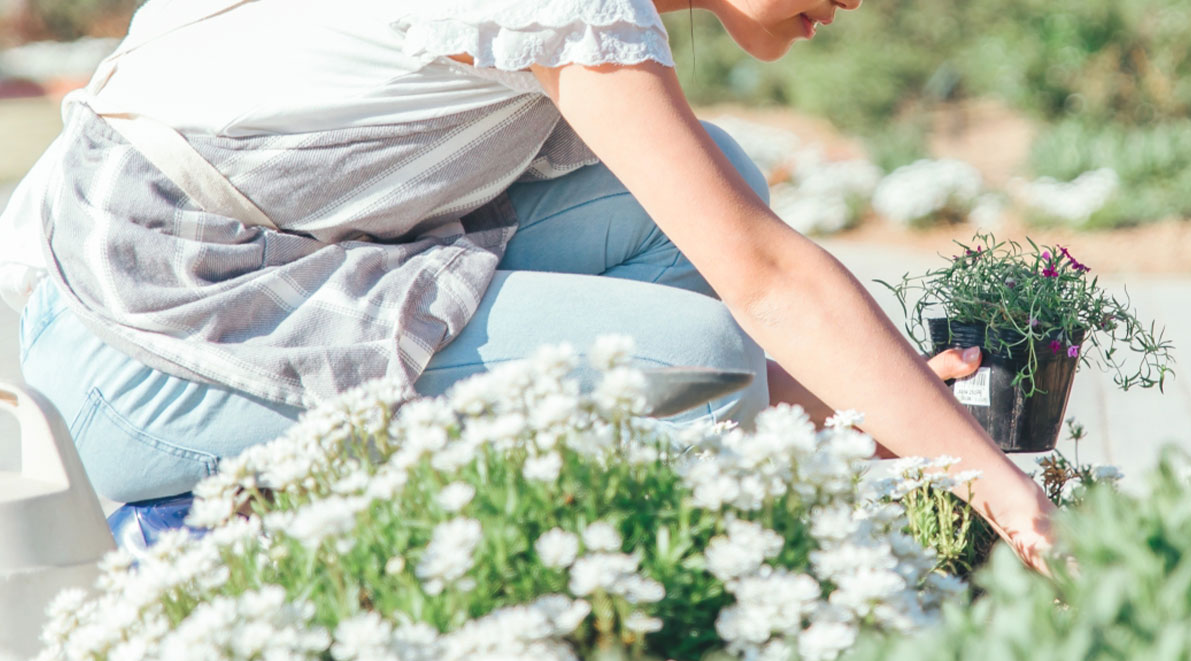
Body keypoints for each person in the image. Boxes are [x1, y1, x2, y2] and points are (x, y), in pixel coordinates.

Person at [0, 0, 1056, 565]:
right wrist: (1001, 491)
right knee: (701, 362)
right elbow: (764, 275)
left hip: (256, 273)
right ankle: (224, 519)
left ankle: (778, 429)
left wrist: (874, 409)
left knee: (713, 185)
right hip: (131, 356)